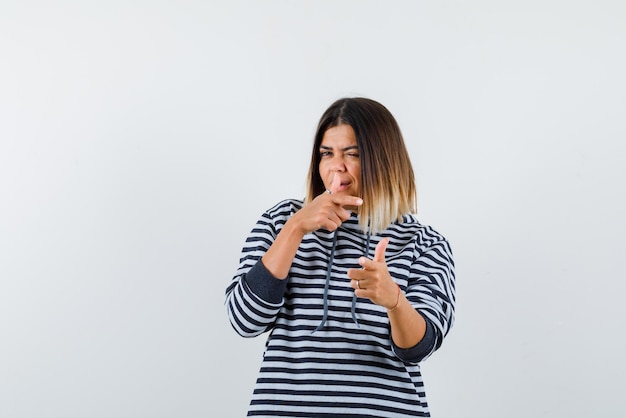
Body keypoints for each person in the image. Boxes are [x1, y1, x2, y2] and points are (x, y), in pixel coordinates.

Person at [225, 97, 456, 417]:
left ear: (384, 160)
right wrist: (295, 229)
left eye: (353, 154)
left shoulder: (424, 243)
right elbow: (244, 320)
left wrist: (395, 301)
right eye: (326, 154)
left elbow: (419, 348)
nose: (336, 166)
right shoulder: (280, 221)